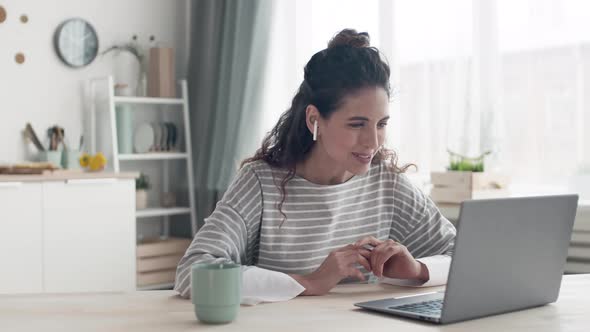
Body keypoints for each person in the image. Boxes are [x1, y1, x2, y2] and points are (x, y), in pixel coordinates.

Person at [174, 29, 456, 299]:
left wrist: (417, 270)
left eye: (381, 124)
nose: (373, 141)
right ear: (314, 119)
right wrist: (309, 282)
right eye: (356, 124)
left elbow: (463, 254)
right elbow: (193, 272)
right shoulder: (261, 183)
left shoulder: (387, 184)